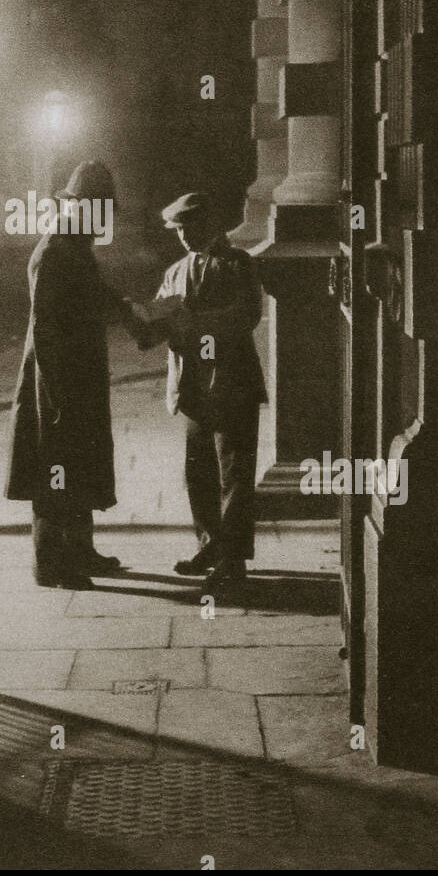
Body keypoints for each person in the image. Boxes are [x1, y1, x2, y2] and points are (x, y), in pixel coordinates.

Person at [4, 160, 139, 589]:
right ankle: (51, 564)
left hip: (79, 377)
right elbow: (44, 329)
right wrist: (57, 396)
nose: (105, 224)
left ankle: (80, 550)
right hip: (55, 382)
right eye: (101, 213)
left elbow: (95, 293)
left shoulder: (75, 249)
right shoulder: (54, 252)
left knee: (77, 463)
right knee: (54, 468)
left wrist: (129, 309)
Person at [139, 193, 267, 593]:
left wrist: (192, 323)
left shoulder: (237, 264)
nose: (184, 237)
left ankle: (233, 558)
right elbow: (160, 314)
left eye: (190, 228)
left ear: (210, 225)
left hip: (232, 384)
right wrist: (146, 323)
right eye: (179, 231)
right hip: (192, 387)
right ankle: (209, 544)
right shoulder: (176, 271)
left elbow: (246, 314)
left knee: (234, 473)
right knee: (199, 474)